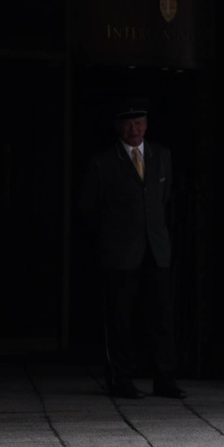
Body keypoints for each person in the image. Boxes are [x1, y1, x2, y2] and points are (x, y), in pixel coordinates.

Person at [77, 100, 185, 399]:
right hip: (119, 253)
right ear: (117, 127)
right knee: (120, 319)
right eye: (127, 123)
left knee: (161, 318)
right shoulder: (103, 161)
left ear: (147, 124)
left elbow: (165, 202)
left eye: (138, 122)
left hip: (156, 250)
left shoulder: (161, 156)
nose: (133, 129)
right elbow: (89, 209)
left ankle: (165, 379)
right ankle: (121, 380)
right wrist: (111, 238)